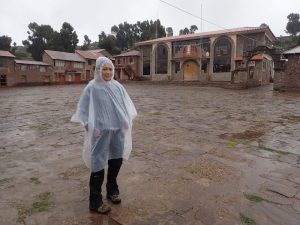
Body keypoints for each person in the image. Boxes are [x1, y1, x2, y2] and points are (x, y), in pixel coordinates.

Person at [71, 57, 137, 214]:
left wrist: (125, 122)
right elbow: (82, 111)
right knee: (98, 164)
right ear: (98, 70)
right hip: (99, 134)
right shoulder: (92, 88)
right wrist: (89, 126)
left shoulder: (118, 87)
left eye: (110, 69)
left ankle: (112, 190)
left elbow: (126, 106)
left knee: (116, 160)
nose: (107, 72)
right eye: (104, 69)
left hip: (117, 131)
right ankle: (95, 201)